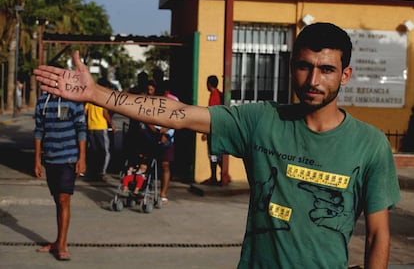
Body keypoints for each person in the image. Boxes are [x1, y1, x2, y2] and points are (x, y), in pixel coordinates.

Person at [34, 22, 401, 268]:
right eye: (305, 66)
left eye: (327, 70)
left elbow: (378, 233)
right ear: (292, 67)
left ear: (345, 75)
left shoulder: (369, 145)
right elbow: (178, 114)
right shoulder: (262, 120)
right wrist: (97, 93)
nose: (313, 79)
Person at [33, 91, 87, 261]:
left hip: (69, 158)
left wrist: (82, 158)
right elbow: (39, 130)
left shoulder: (73, 101)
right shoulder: (42, 101)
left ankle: (62, 245)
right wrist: (37, 159)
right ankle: (58, 241)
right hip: (50, 158)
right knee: (58, 200)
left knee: (64, 199)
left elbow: (81, 129)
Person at [84, 78, 115, 181]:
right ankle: (102, 172)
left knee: (93, 151)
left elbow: (85, 112)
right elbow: (105, 113)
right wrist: (111, 124)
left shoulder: (91, 98)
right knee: (105, 152)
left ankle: (92, 171)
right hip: (101, 127)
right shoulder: (102, 98)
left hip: (91, 127)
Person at [201, 75, 224, 185]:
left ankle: (216, 176)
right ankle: (216, 176)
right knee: (216, 155)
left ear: (209, 84)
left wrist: (206, 131)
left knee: (214, 155)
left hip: (214, 130)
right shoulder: (218, 94)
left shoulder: (214, 96)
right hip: (218, 130)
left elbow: (212, 114)